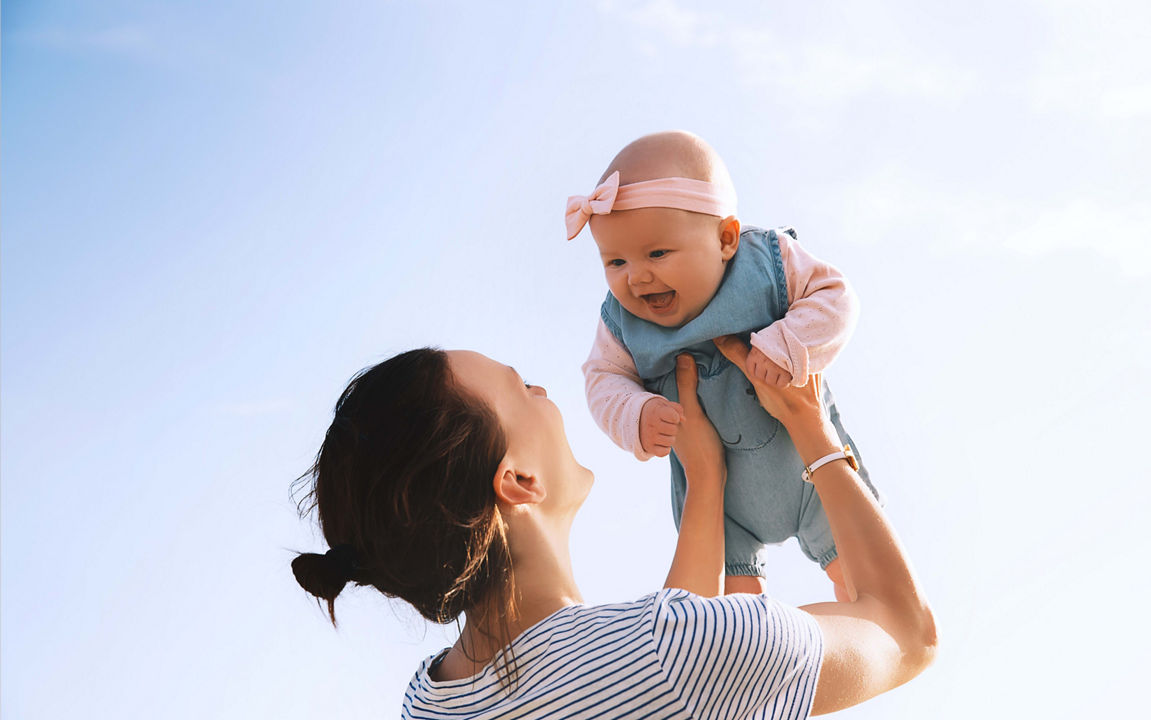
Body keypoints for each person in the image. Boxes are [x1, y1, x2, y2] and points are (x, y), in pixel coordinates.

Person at [292, 336, 936, 718]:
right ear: (518, 481)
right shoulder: (677, 652)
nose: (544, 391)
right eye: (521, 389)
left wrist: (706, 484)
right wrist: (809, 425)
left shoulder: (431, 702)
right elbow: (907, 633)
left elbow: (661, 667)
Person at [570, 130, 876, 598]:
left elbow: (835, 297)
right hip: (722, 501)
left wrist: (789, 343)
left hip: (811, 467)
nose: (637, 276)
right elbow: (602, 379)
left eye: (657, 253)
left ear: (726, 239)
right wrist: (635, 413)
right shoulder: (620, 326)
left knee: (863, 581)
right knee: (733, 617)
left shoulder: (766, 262)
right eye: (614, 261)